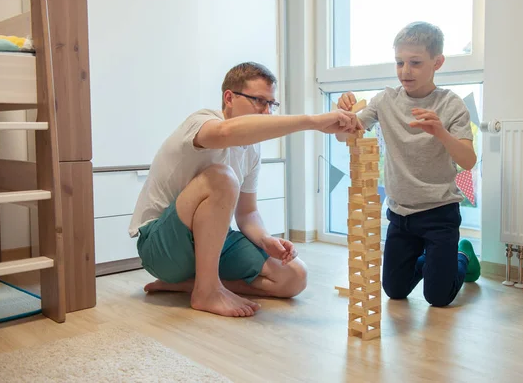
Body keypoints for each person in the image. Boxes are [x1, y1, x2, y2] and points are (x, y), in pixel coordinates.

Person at [129, 62, 362, 318]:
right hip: (160, 245)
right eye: (258, 101)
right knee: (222, 178)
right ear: (229, 97)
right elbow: (225, 133)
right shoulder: (202, 122)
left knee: (295, 277)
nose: (266, 112)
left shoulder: (252, 149)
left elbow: (248, 213)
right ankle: (206, 292)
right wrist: (311, 121)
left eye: (271, 104)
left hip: (209, 241)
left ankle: (191, 285)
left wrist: (266, 240)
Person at [336, 21, 481, 307]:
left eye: (415, 62)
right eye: (399, 62)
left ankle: (462, 256)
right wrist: (343, 112)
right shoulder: (385, 100)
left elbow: (468, 160)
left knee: (437, 298)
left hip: (439, 214)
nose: (405, 71)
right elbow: (345, 135)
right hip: (400, 216)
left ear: (437, 62)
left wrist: (440, 132)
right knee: (395, 291)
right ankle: (437, 259)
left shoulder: (450, 105)